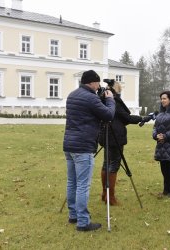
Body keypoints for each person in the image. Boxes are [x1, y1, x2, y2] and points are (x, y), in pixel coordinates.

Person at [63, 70, 115, 232]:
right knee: (83, 185)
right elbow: (108, 115)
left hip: (69, 144)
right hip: (83, 146)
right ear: (92, 83)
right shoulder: (91, 97)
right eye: (97, 83)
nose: (99, 86)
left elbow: (87, 112)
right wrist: (110, 100)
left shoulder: (72, 95)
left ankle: (73, 215)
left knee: (72, 182)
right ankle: (83, 222)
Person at [99, 81, 143, 205]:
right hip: (115, 136)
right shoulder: (114, 101)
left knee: (106, 164)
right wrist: (142, 118)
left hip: (106, 134)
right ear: (116, 90)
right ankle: (110, 197)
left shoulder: (104, 99)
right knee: (113, 165)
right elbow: (126, 118)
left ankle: (105, 194)